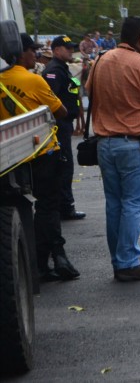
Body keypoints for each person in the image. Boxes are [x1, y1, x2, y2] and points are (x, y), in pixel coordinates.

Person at [85, 17, 140, 282]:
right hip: (134, 144)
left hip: (104, 144)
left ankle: (118, 261)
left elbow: (90, 92)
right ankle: (128, 263)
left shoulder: (99, 61)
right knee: (134, 204)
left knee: (114, 203)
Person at [0, 34, 79, 283]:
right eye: (31, 50)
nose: (35, 54)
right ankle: (51, 258)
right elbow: (61, 110)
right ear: (18, 53)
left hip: (10, 155)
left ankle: (43, 261)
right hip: (43, 152)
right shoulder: (34, 80)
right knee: (48, 207)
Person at [43, 34, 86, 221]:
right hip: (59, 124)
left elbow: (72, 87)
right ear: (57, 50)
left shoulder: (63, 69)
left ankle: (64, 204)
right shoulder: (53, 70)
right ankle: (65, 207)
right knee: (64, 165)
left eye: (71, 48)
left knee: (66, 164)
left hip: (66, 123)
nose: (70, 51)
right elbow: (51, 99)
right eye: (67, 48)